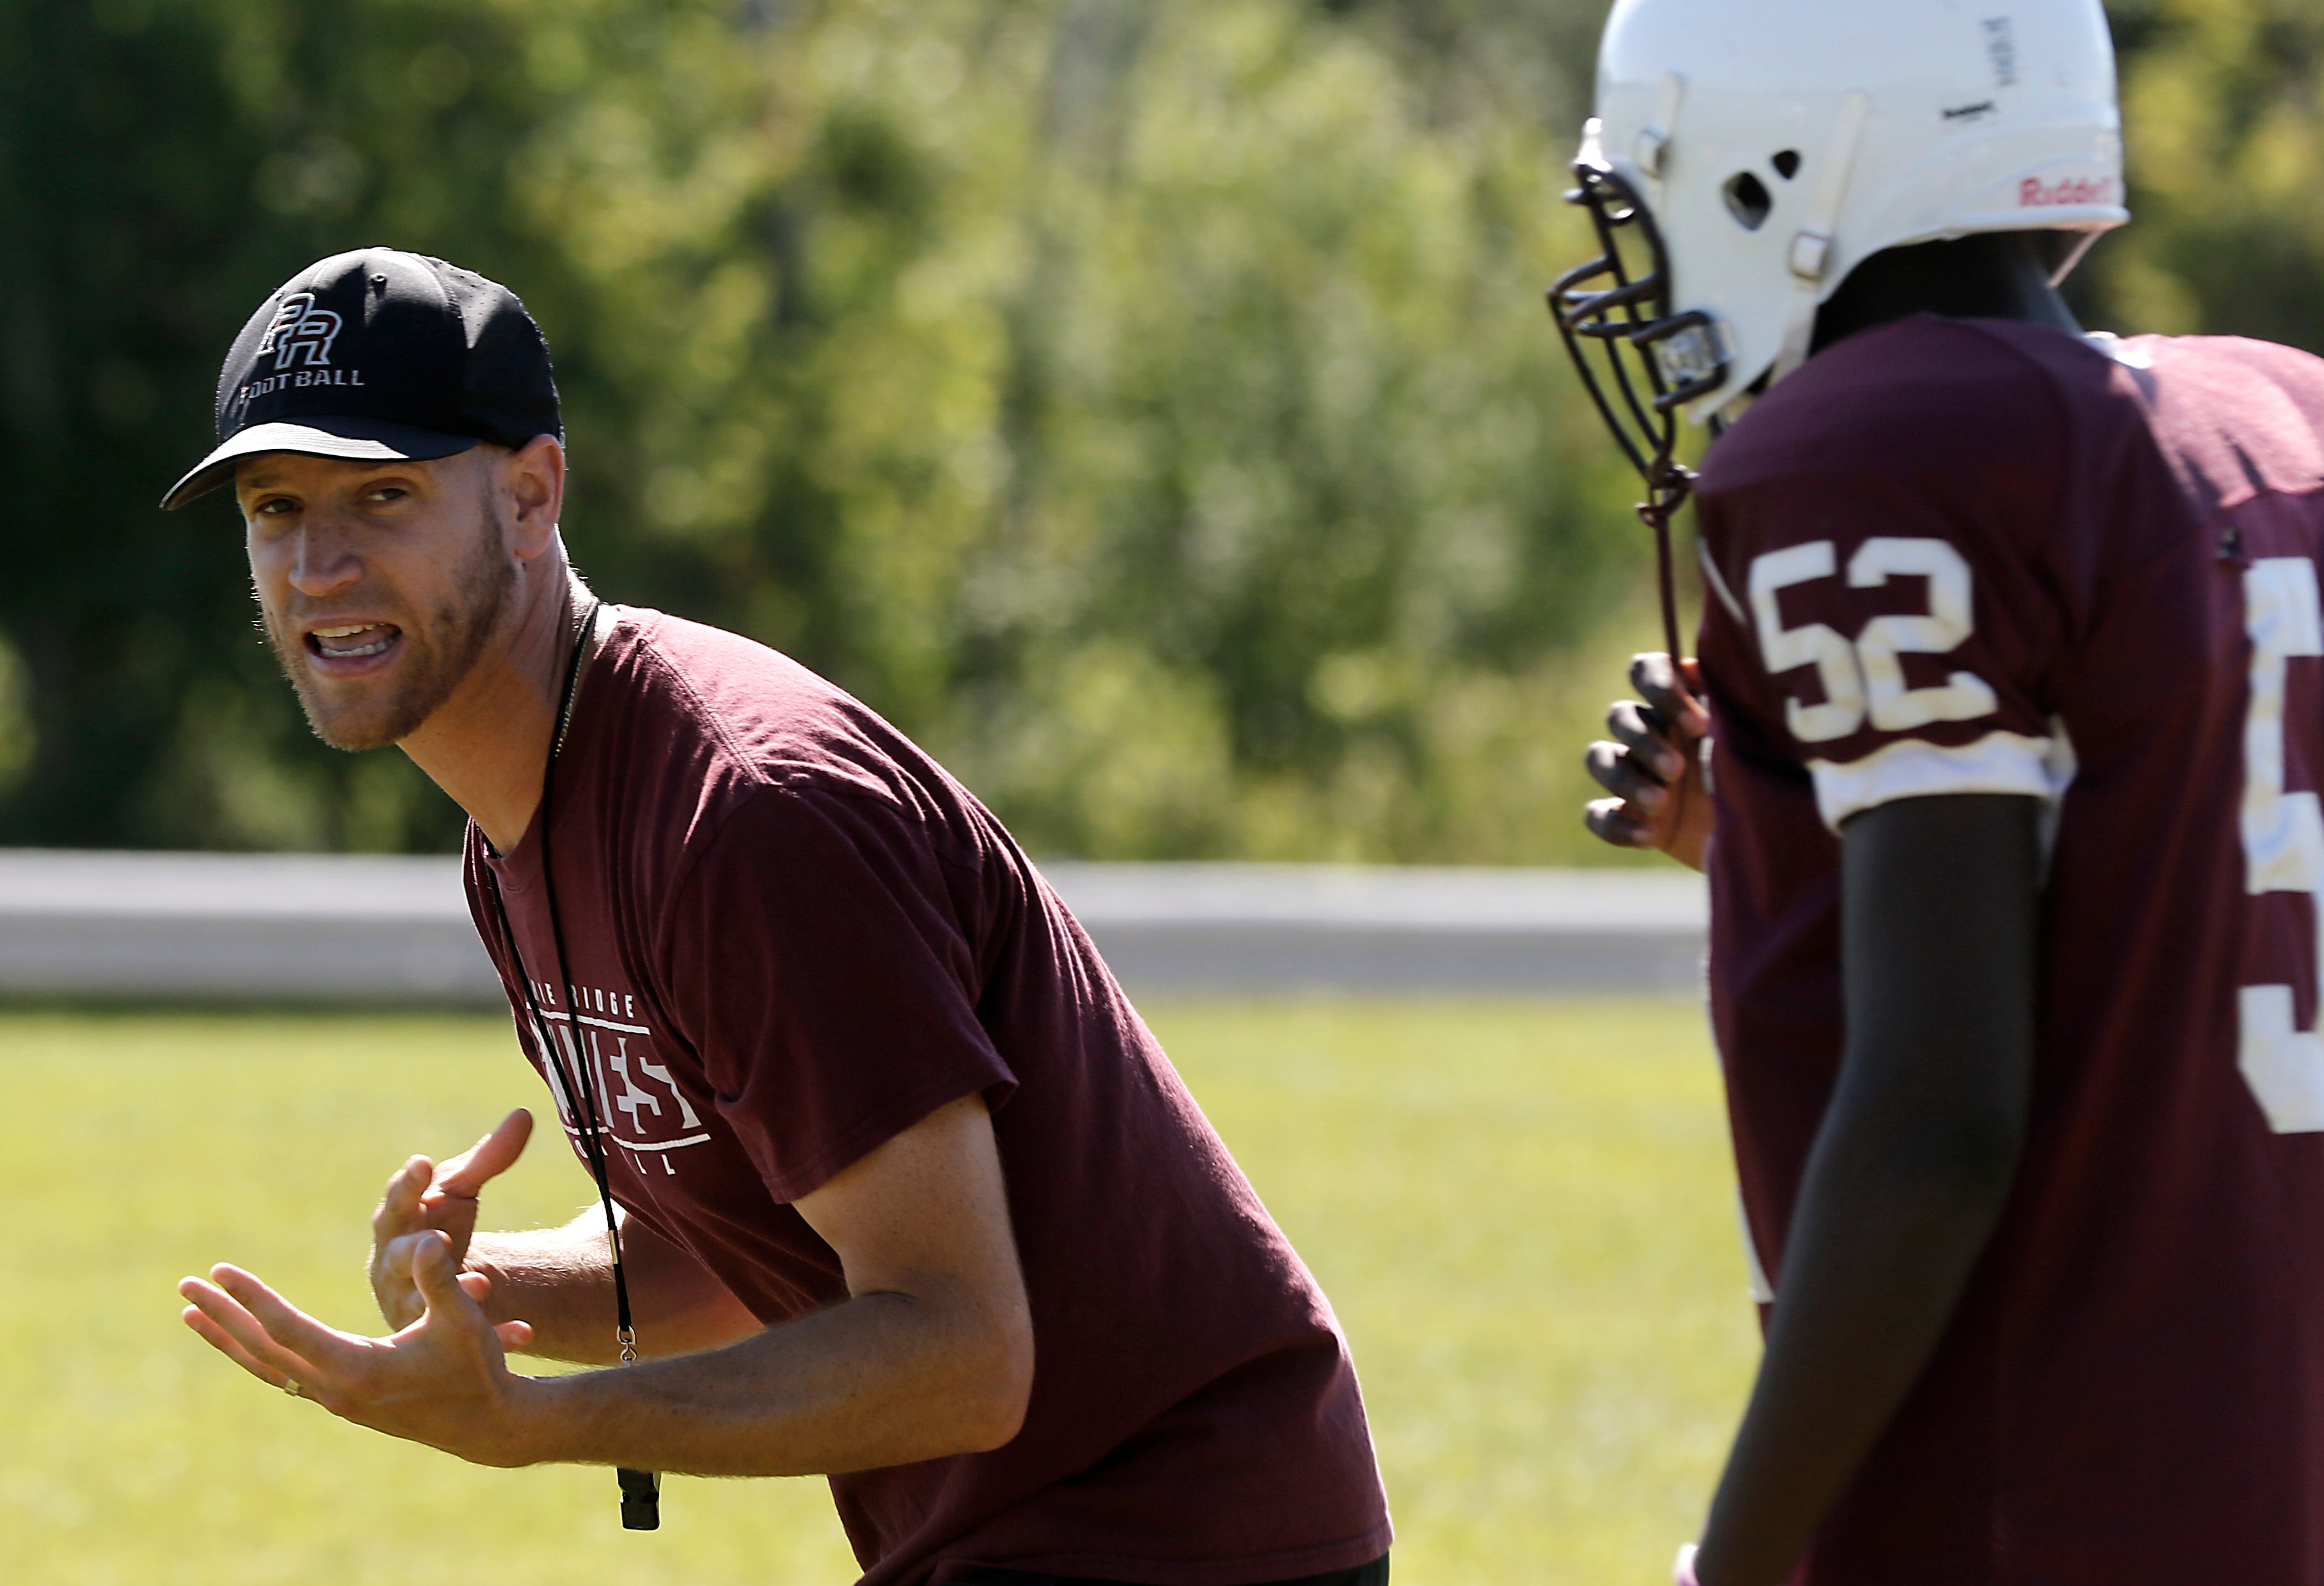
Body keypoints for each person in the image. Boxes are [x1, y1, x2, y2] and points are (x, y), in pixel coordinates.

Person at [163, 247, 1392, 1586]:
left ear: (529, 496)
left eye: (384, 494)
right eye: (275, 506)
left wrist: (534, 1424)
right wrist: (492, 1291)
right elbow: (752, 1246)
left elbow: (961, 1349)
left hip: (1180, 1537)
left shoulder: (746, 817)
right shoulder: (519, 826)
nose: (318, 563)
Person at [1561, 2, 2324, 1583]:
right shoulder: (2275, 413)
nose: (1645, 247)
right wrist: (1779, 847)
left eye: (1662, 178)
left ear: (1797, 155)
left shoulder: (1893, 446)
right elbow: (2197, 887)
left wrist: (1744, 1555)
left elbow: (1938, 1115)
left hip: (2054, 1472)